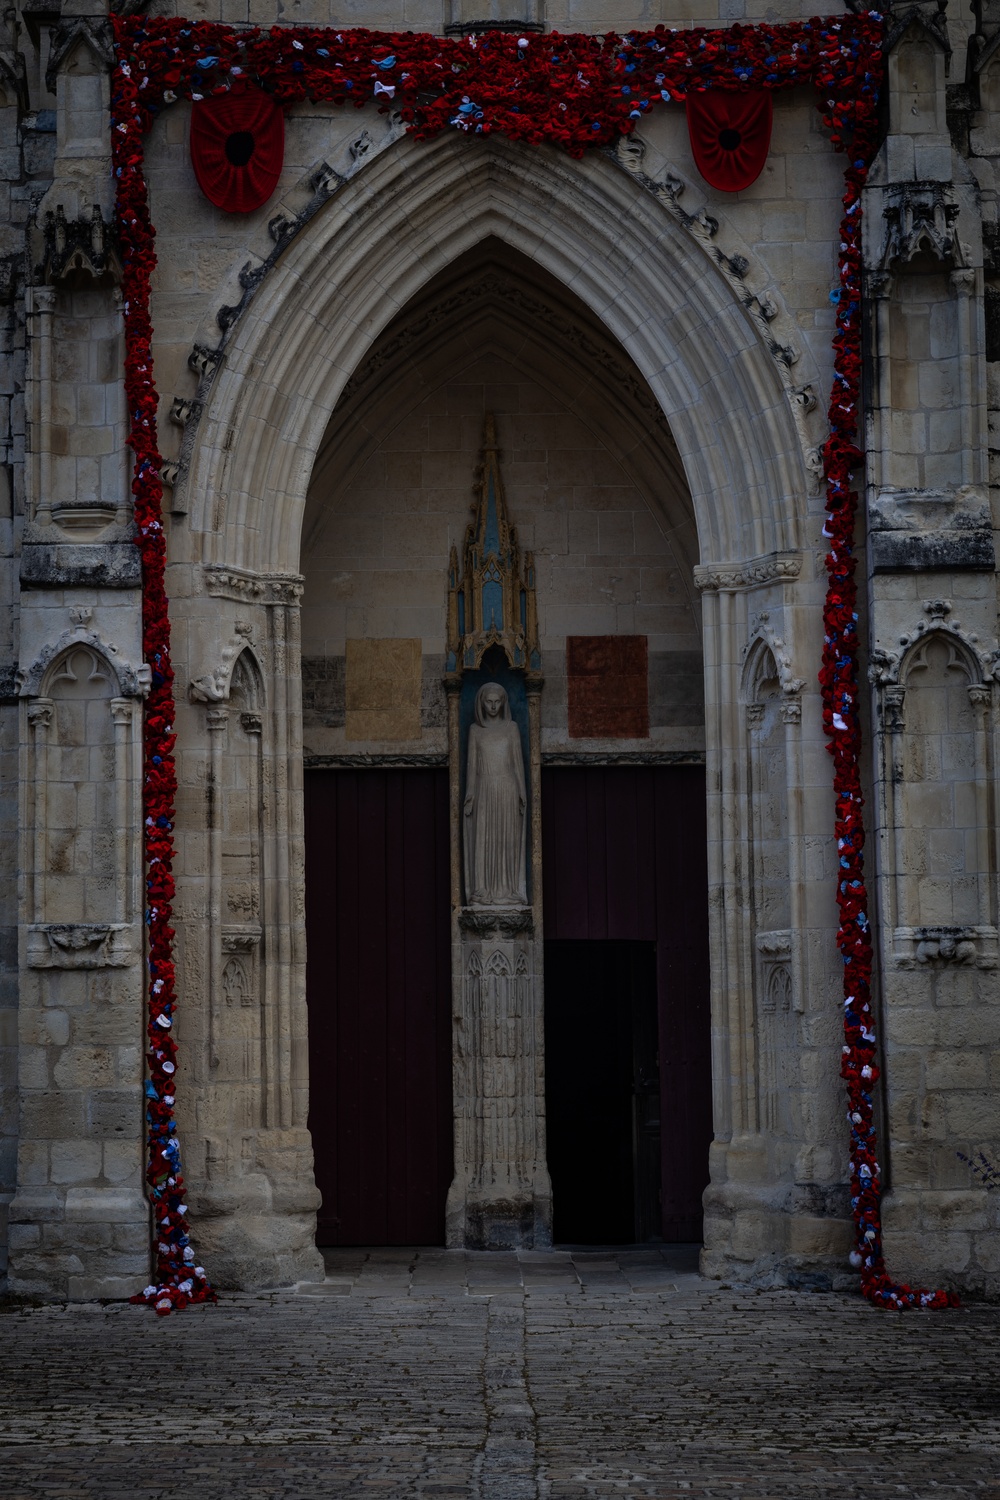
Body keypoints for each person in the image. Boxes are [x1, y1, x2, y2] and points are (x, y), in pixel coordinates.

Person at [464, 682, 527, 906]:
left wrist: (522, 791)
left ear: (503, 703)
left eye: (496, 701)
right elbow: (471, 766)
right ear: (481, 703)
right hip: (484, 790)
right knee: (484, 838)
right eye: (488, 702)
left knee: (506, 839)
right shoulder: (475, 730)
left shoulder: (512, 728)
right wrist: (470, 795)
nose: (492, 706)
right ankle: (482, 890)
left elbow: (518, 763)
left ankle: (508, 890)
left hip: (508, 789)